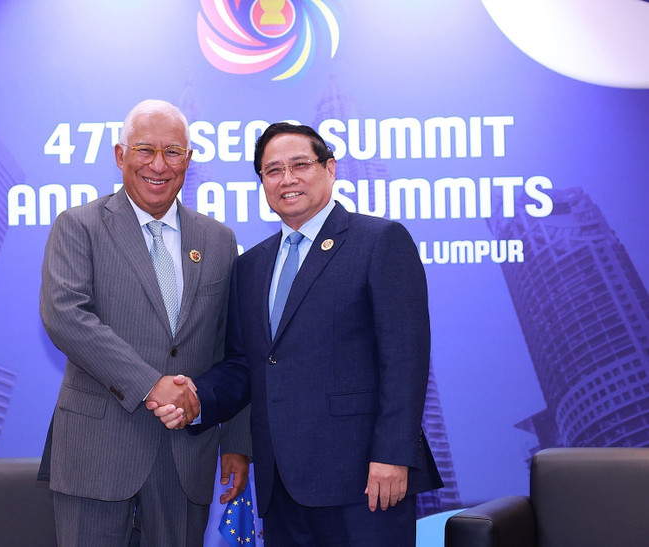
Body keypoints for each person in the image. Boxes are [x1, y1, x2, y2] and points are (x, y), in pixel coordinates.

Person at [149, 122, 443, 545]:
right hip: (281, 485)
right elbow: (242, 366)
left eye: (300, 164)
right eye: (272, 171)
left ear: (330, 169)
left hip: (365, 480)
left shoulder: (379, 241)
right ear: (263, 183)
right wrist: (195, 401)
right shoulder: (250, 266)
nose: (287, 179)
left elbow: (405, 359)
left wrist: (393, 455)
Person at [38, 99, 251, 547]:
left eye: (173, 152)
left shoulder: (218, 240)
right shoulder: (79, 226)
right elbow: (65, 315)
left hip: (185, 457)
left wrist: (236, 440)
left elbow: (232, 349)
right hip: (97, 452)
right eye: (145, 150)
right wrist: (150, 384)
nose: (159, 165)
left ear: (188, 160)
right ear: (120, 156)